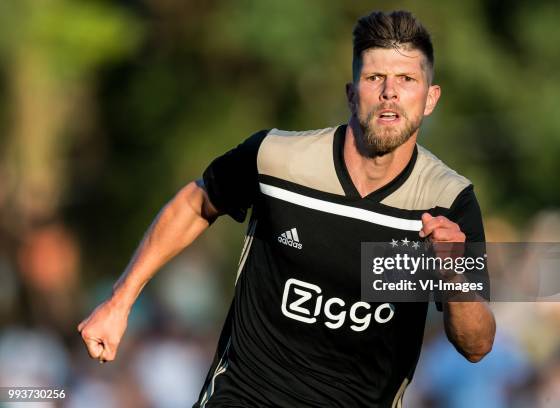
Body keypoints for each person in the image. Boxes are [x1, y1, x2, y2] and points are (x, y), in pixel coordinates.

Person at [78, 10, 496, 407]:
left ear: (430, 98)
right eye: (375, 77)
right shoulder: (278, 159)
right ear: (352, 94)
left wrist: (450, 274)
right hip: (245, 394)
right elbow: (196, 202)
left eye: (406, 78)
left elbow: (477, 345)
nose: (390, 91)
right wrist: (120, 301)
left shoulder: (448, 201)